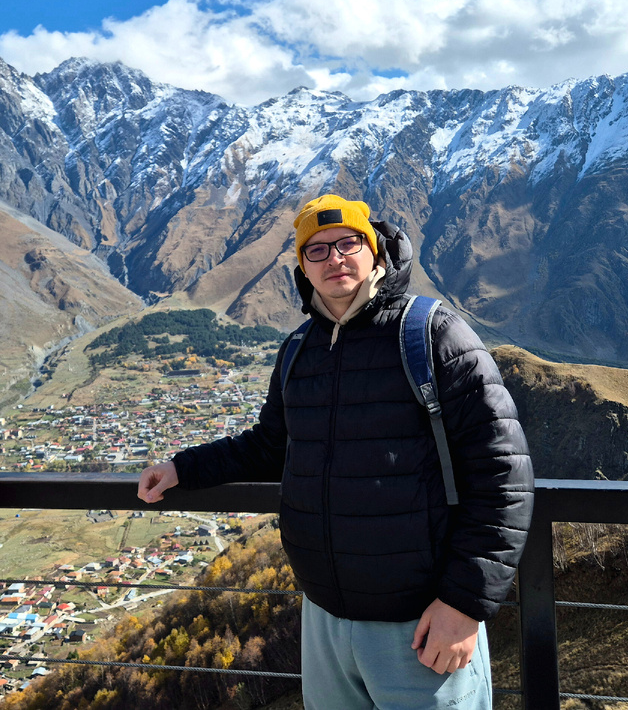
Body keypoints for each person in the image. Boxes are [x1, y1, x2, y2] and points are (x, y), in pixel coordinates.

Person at [138, 194, 534, 709]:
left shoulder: (432, 334)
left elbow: (503, 475)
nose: (335, 259)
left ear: (376, 251)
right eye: (317, 250)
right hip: (323, 618)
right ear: (302, 268)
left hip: (420, 623)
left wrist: (463, 604)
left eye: (348, 243)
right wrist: (182, 468)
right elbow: (270, 446)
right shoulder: (298, 349)